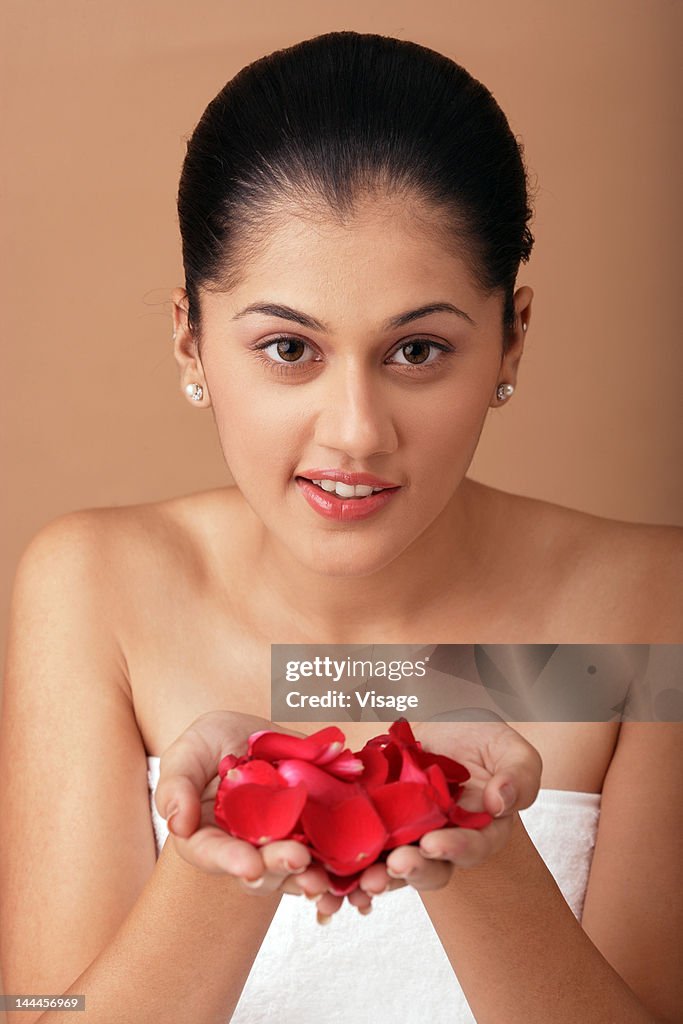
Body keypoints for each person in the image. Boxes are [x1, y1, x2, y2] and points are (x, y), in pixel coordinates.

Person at [1, 29, 681, 1024]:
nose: (355, 432)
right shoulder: (96, 589)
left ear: (512, 335)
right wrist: (223, 854)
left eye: (415, 349)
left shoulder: (645, 614)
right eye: (288, 348)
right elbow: (41, 1011)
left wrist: (474, 853)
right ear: (190, 335)